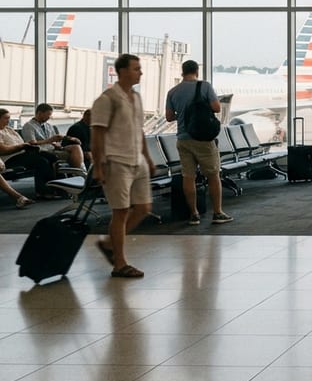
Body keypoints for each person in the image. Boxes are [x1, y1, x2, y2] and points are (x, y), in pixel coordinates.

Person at [92, 53, 157, 279]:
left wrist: (147, 158)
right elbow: (98, 133)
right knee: (120, 212)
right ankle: (119, 264)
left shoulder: (136, 98)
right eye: (136, 69)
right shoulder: (107, 98)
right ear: (122, 71)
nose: (140, 72)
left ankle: (109, 243)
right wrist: (98, 165)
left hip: (137, 160)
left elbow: (139, 130)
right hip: (116, 161)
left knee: (143, 208)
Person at [165, 60, 233, 226]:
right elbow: (216, 108)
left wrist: (183, 114)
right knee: (213, 175)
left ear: (182, 72)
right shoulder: (205, 86)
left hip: (183, 140)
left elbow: (168, 117)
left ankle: (194, 214)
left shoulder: (172, 92)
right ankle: (217, 212)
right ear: (196, 71)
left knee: (188, 177)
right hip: (203, 139)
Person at [0, 107, 57, 198]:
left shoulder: (9, 130)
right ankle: (44, 191)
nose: (8, 121)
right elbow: (3, 150)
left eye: (9, 118)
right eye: (6, 118)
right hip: (9, 158)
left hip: (21, 154)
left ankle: (55, 186)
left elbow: (21, 143)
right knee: (41, 161)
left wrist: (26, 146)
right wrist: (20, 147)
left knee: (51, 157)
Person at [21, 102, 85, 169]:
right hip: (42, 151)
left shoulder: (48, 126)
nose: (49, 117)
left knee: (76, 147)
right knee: (75, 154)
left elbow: (54, 140)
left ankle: (79, 171)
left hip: (53, 148)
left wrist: (57, 143)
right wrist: (50, 140)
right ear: (39, 113)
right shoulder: (29, 126)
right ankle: (78, 172)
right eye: (48, 114)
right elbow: (31, 143)